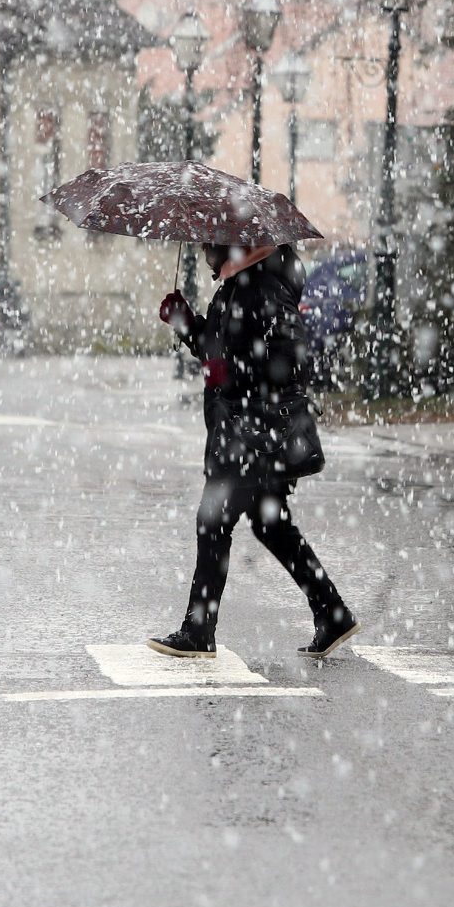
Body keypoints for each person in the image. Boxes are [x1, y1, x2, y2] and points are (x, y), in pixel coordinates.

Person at [151, 241, 357, 660]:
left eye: (210, 242)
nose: (204, 249)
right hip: (247, 431)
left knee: (213, 522)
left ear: (231, 244)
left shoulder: (262, 286)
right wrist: (186, 322)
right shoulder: (239, 284)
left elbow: (286, 358)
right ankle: (332, 614)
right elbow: (218, 348)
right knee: (270, 524)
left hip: (254, 435)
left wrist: (235, 375)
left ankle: (198, 631)